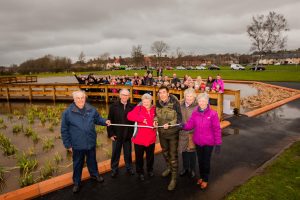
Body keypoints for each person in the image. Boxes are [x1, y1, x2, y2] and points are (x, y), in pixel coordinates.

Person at [61, 90, 110, 193]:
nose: (80, 100)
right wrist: (68, 145)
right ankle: (77, 183)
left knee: (92, 161)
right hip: (77, 145)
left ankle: (95, 175)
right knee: (77, 164)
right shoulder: (67, 113)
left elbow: (97, 119)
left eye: (82, 98)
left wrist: (105, 121)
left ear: (85, 98)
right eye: (78, 98)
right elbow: (64, 130)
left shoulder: (91, 109)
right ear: (74, 100)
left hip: (90, 142)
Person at [183, 93, 222, 190]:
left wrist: (218, 143)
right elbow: (190, 124)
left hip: (208, 143)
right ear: (198, 102)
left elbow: (217, 129)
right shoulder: (195, 112)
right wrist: (183, 126)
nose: (202, 103)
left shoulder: (213, 114)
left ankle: (206, 179)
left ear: (207, 102)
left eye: (204, 101)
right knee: (200, 161)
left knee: (206, 161)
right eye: (200, 101)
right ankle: (201, 176)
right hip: (198, 142)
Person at [154, 85, 182, 191]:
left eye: (163, 92)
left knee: (173, 156)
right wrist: (155, 120)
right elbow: (155, 114)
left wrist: (170, 124)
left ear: (168, 93)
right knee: (165, 152)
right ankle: (169, 168)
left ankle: (174, 178)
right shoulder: (157, 103)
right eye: (160, 93)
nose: (162, 94)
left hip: (173, 133)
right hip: (162, 133)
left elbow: (179, 118)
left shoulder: (175, 102)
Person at [127, 93, 156, 181]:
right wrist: (140, 118)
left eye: (148, 102)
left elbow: (158, 118)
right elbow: (129, 116)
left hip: (151, 138)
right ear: (142, 101)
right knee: (139, 157)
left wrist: (157, 122)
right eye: (144, 102)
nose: (146, 103)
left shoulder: (155, 109)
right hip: (139, 139)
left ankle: (150, 170)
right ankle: (140, 172)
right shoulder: (138, 108)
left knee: (150, 157)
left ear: (151, 101)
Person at [107, 89, 135, 178]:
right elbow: (109, 121)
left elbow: (136, 121)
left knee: (128, 153)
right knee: (115, 153)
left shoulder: (132, 107)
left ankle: (129, 167)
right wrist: (111, 134)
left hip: (127, 135)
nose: (125, 97)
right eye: (123, 95)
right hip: (116, 135)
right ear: (120, 95)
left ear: (129, 96)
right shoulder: (113, 106)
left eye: (126, 95)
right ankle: (114, 169)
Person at [178, 88, 198, 179]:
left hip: (192, 133)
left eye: (191, 96)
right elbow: (177, 116)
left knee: (192, 152)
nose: (189, 98)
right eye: (187, 96)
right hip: (182, 132)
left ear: (194, 97)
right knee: (184, 151)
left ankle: (192, 169)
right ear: (184, 96)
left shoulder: (197, 106)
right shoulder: (180, 105)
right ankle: (185, 168)